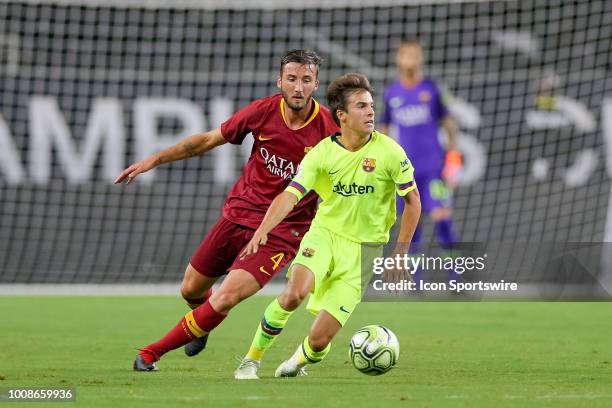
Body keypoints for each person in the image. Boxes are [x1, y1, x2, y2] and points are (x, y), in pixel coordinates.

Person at [114, 49, 339, 371]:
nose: (298, 87)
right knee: (191, 289)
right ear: (280, 81)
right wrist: (155, 159)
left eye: (306, 80)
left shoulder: (329, 131)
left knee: (226, 296)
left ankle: (151, 353)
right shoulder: (262, 111)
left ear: (316, 84)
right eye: (291, 79)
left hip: (281, 231)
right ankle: (201, 324)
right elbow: (206, 140)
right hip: (237, 215)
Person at [233, 73, 421, 379]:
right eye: (361, 106)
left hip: (364, 251)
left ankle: (297, 363)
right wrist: (263, 228)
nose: (371, 111)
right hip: (325, 235)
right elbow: (290, 194)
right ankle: (251, 360)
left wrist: (400, 252)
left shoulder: (390, 152)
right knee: (295, 293)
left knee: (319, 340)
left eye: (371, 105)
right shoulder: (322, 153)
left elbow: (413, 202)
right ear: (342, 116)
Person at [379, 38, 462, 283]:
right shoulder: (392, 93)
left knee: (442, 219)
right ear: (398, 59)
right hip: (406, 173)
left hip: (434, 169)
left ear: (421, 58)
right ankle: (415, 280)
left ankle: (457, 277)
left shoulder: (432, 89)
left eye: (415, 55)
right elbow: (383, 130)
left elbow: (449, 125)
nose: (410, 60)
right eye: (406, 54)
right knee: (412, 226)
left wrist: (454, 160)